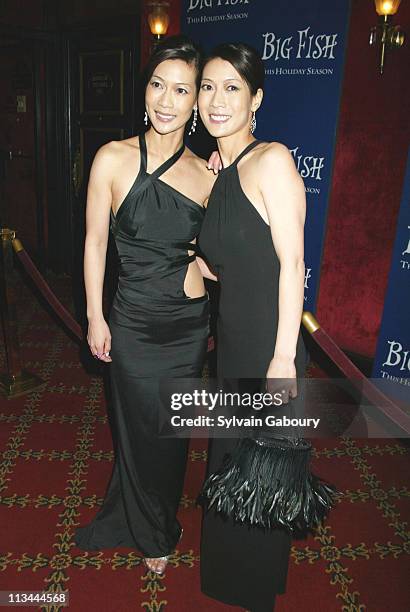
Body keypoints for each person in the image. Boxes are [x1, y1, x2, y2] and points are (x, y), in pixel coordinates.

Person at [73, 35, 215, 576]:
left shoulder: (208, 175)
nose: (166, 99)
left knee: (171, 435)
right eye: (158, 84)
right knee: (135, 429)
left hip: (184, 326)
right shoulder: (111, 157)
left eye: (181, 89)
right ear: (145, 89)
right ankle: (153, 530)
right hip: (130, 320)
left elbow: (214, 261)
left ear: (196, 103)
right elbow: (94, 245)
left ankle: (154, 514)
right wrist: (94, 315)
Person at [197, 42, 307, 611]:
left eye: (232, 88)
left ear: (256, 98)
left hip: (270, 350)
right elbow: (221, 264)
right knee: (231, 470)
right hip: (234, 348)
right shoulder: (220, 171)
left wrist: (283, 361)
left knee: (262, 481)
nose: (217, 100)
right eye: (208, 87)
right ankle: (230, 583)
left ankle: (257, 596)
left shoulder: (272, 161)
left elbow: (293, 263)